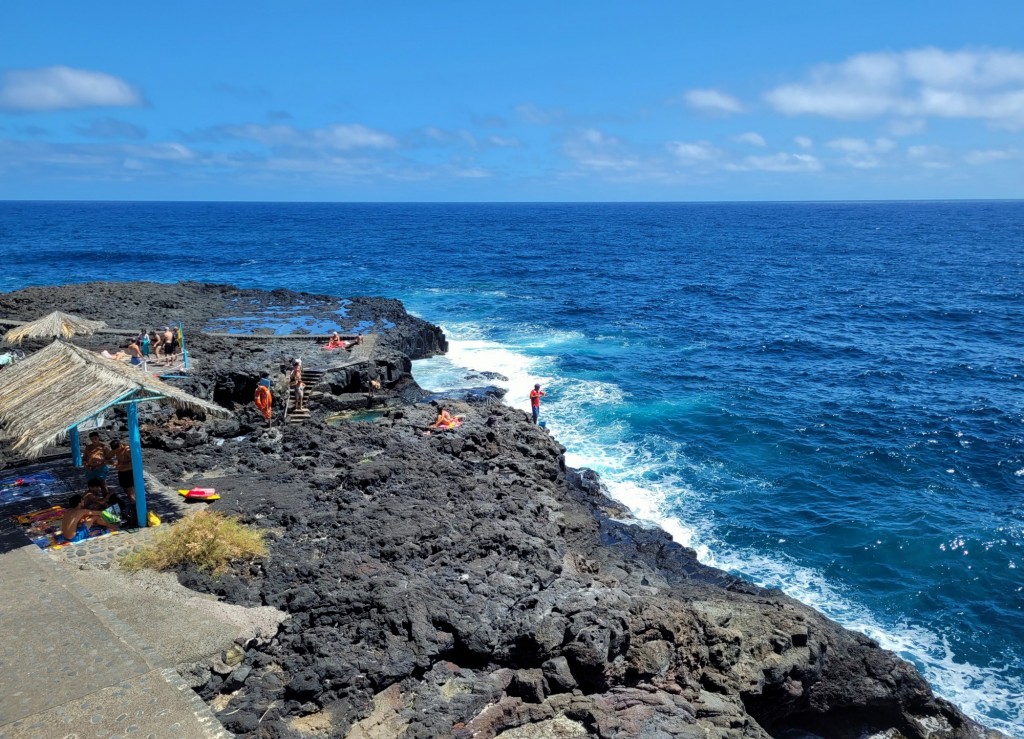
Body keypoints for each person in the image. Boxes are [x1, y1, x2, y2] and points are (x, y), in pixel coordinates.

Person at [110, 440, 138, 527]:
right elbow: (108, 456)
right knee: (126, 491)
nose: (117, 452)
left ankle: (136, 509)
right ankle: (133, 506)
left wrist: (121, 466)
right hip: (122, 473)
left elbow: (134, 463)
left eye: (118, 450)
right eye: (115, 451)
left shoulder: (127, 450)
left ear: (121, 445)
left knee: (131, 493)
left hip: (128, 473)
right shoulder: (116, 451)